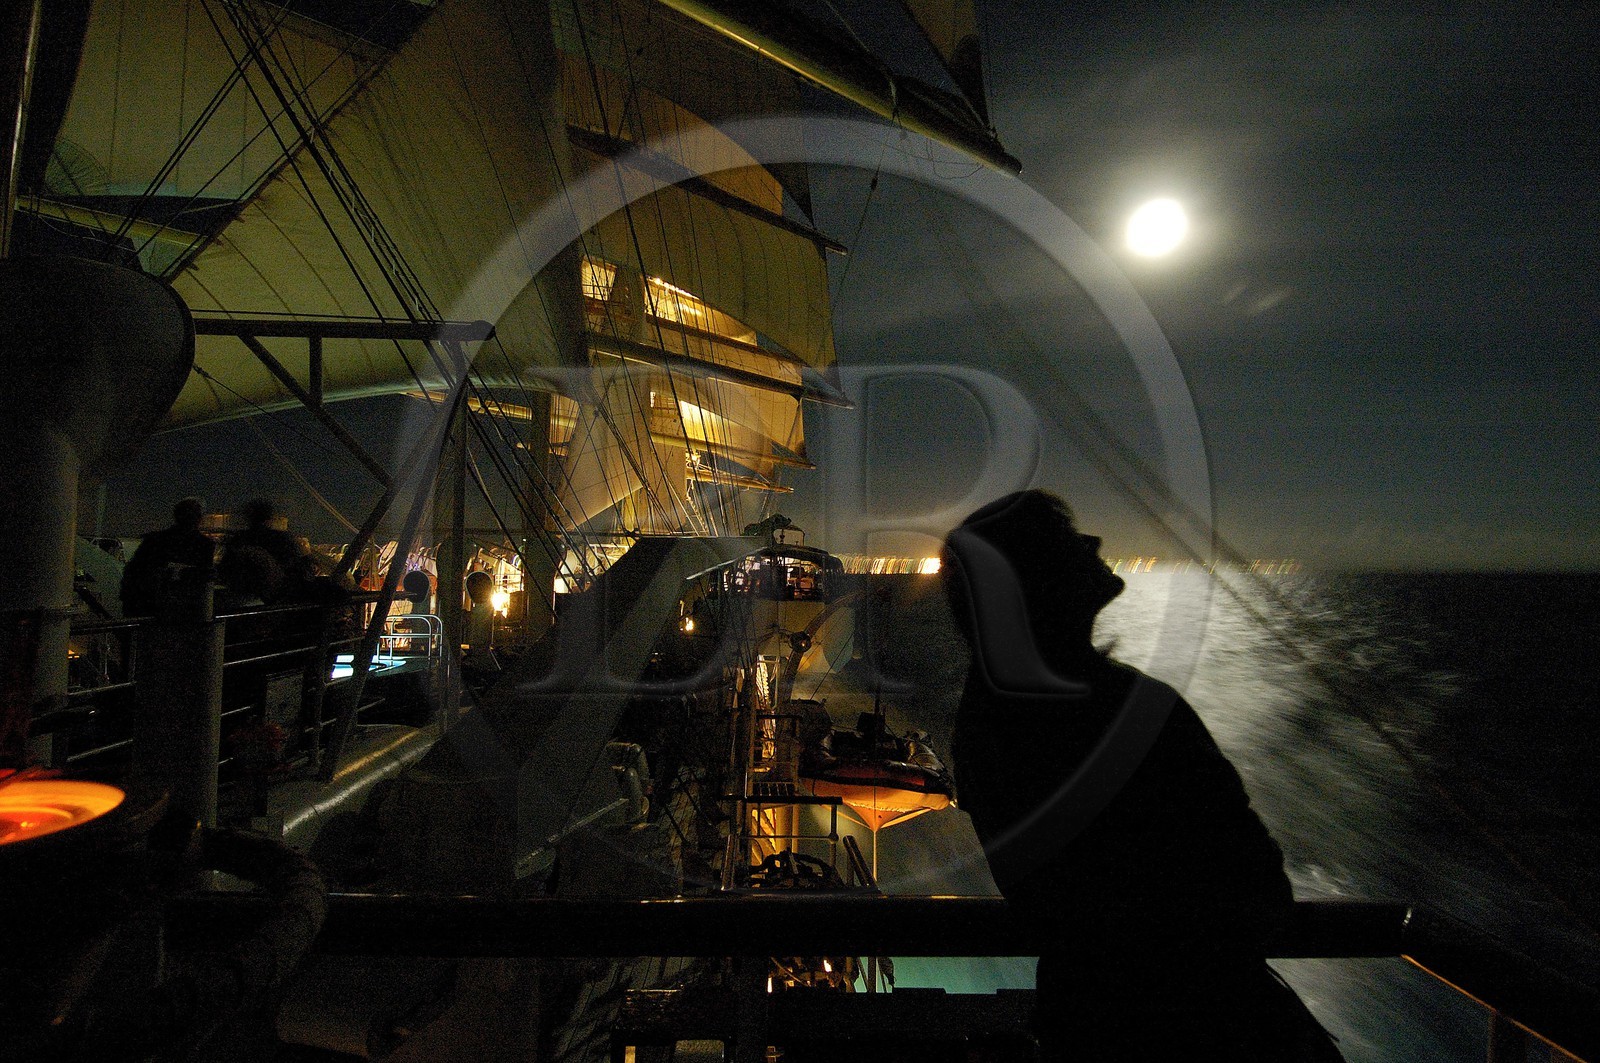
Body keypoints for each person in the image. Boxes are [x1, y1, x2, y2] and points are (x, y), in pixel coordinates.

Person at [939, 490, 1338, 1061]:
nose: (1093, 543)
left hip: (1089, 1024)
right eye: (1068, 539)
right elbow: (1254, 883)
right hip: (1210, 1028)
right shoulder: (1128, 715)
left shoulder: (988, 722)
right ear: (1039, 580)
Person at [119, 497, 216, 618]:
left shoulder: (154, 540)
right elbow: (204, 579)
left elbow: (133, 573)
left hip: (152, 609)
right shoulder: (204, 545)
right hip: (186, 614)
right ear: (200, 518)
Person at [223, 498, 311, 604]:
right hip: (277, 600)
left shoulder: (238, 540)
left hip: (243, 599)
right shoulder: (282, 539)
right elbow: (300, 572)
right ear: (270, 518)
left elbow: (225, 571)